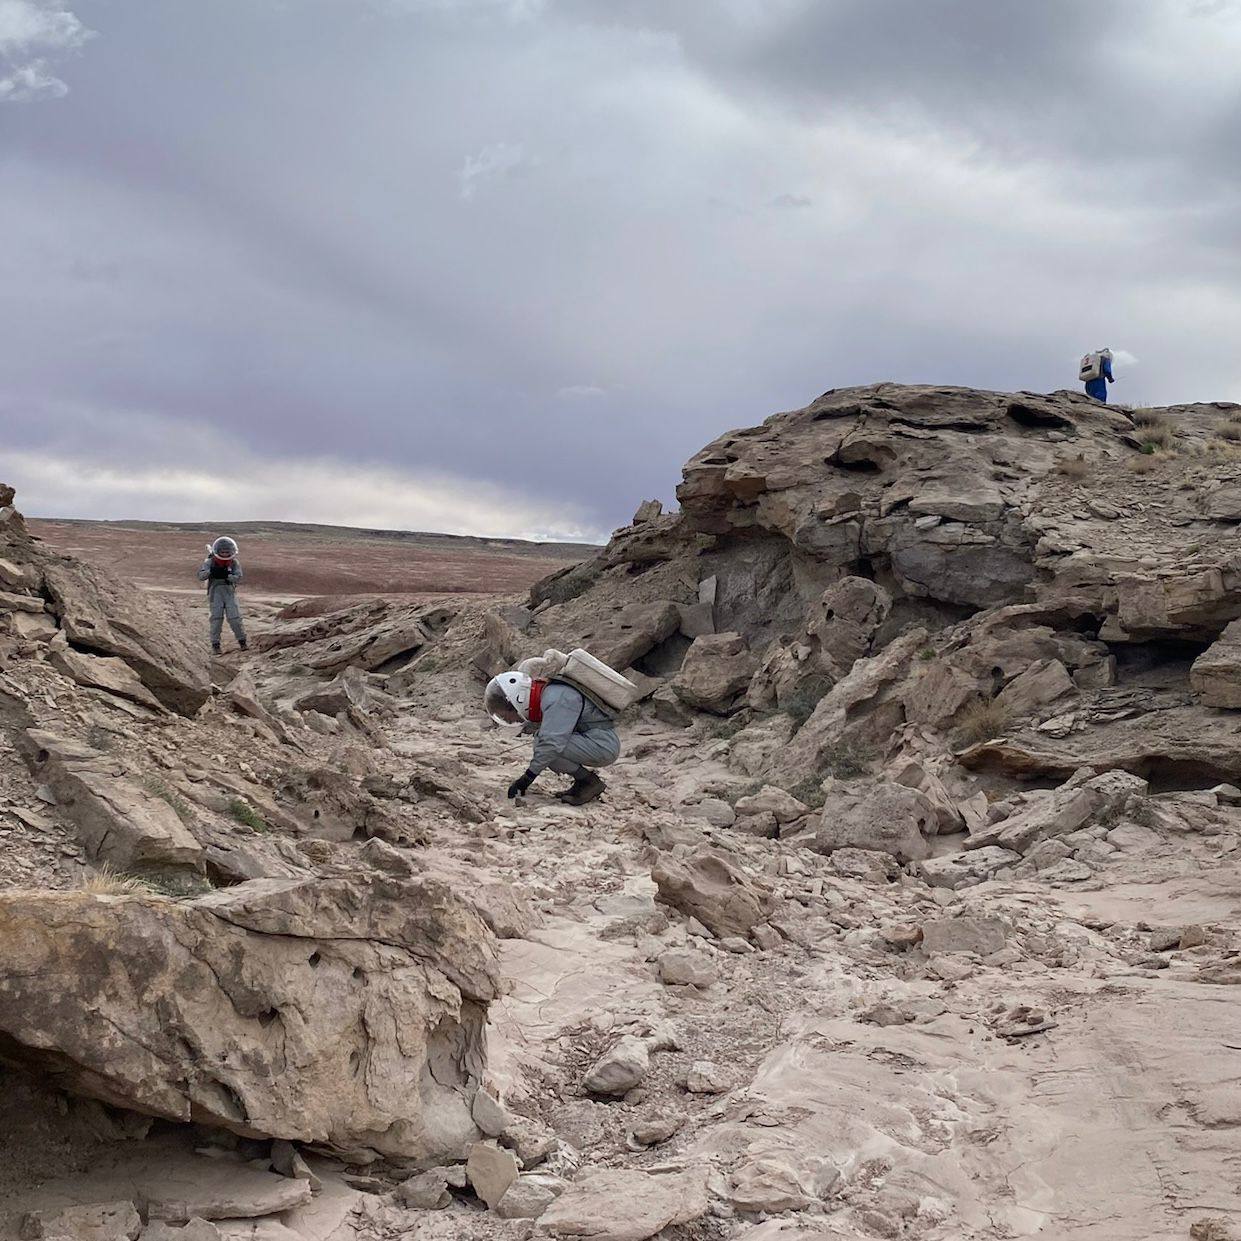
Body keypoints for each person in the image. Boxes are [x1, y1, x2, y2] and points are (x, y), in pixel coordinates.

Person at [484, 665, 621, 806]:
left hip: (603, 745)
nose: (512, 719)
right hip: (594, 739)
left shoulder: (557, 697)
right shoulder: (551, 693)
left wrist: (527, 778)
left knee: (546, 746)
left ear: (519, 699)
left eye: (510, 715)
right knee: (543, 743)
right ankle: (583, 782)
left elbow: (551, 744)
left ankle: (589, 782)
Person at [198, 535, 247, 654]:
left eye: (227, 551)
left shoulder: (234, 563)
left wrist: (227, 576)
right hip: (215, 593)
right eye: (222, 551)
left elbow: (238, 577)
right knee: (216, 619)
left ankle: (242, 642)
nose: (225, 554)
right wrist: (212, 572)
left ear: (231, 551)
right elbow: (201, 576)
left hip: (229, 592)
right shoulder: (210, 562)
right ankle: (215, 645)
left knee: (234, 617)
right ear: (217, 551)